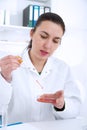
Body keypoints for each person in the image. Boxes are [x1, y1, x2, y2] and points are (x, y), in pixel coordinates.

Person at [0, 12, 81, 124]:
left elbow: (76, 109)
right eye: (43, 36)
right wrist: (4, 79)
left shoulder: (63, 69)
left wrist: (62, 105)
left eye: (55, 41)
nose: (48, 45)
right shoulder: (9, 65)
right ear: (32, 33)